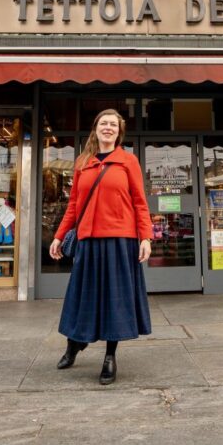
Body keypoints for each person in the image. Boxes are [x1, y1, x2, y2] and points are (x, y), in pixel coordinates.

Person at [49, 108, 152, 385]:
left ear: (119, 133)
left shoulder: (128, 162)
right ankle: (74, 343)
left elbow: (140, 203)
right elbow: (73, 206)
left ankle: (110, 357)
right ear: (95, 128)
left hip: (120, 240)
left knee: (115, 300)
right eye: (104, 123)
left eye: (113, 125)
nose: (108, 128)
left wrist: (145, 237)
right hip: (88, 240)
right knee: (82, 296)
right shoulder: (83, 162)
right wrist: (59, 236)